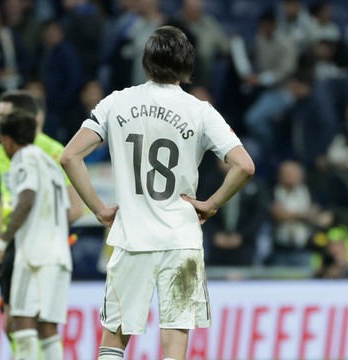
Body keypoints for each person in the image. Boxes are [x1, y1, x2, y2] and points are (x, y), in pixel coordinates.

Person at [60, 26, 255, 360]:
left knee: (114, 340)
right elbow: (245, 166)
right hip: (181, 241)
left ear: (146, 63)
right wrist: (210, 205)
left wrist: (99, 209)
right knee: (174, 341)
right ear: (187, 67)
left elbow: (69, 156)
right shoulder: (200, 110)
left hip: (132, 238)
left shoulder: (116, 102)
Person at [0, 90, 83, 348]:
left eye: (3, 116)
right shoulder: (1, 152)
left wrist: (40, 230)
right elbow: (3, 201)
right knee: (16, 323)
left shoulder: (50, 153)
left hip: (33, 244)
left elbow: (73, 208)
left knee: (26, 322)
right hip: (15, 244)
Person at [0, 111, 72, 360]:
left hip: (32, 255)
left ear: (8, 141)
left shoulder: (22, 158)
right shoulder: (49, 164)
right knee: (48, 327)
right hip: (59, 255)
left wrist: (0, 243)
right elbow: (67, 210)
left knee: (20, 321)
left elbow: (26, 198)